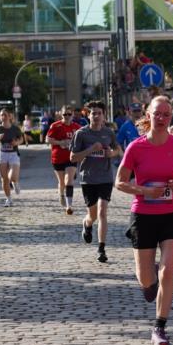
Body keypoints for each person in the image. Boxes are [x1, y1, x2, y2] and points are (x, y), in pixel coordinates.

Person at [116, 95, 173, 345]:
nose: (161, 118)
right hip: (143, 216)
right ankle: (151, 278)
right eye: (157, 113)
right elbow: (119, 182)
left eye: (166, 115)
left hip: (172, 215)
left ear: (171, 118)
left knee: (168, 270)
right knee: (146, 281)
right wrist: (144, 191)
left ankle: (159, 327)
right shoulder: (136, 147)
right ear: (148, 115)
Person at [70, 101, 121, 263]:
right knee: (92, 215)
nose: (96, 116)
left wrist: (110, 154)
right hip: (88, 179)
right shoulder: (81, 134)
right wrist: (91, 149)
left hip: (105, 178)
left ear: (104, 116)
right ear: (88, 115)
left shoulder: (109, 133)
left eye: (99, 113)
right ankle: (87, 224)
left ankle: (101, 248)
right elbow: (73, 157)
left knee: (102, 212)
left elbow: (118, 150)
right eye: (93, 113)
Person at [47, 106, 82, 213]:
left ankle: (69, 206)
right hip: (57, 158)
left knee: (69, 180)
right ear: (61, 115)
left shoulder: (77, 127)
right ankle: (61, 194)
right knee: (62, 183)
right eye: (64, 114)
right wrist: (61, 142)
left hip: (71, 158)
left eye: (69, 114)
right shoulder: (55, 125)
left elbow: (83, 140)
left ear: (72, 115)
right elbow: (48, 139)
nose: (67, 116)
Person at [0, 109, 23, 207]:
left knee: (12, 177)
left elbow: (21, 139)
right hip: (2, 154)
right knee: (4, 179)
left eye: (5, 115)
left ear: (9, 116)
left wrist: (16, 143)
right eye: (1, 115)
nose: (3, 117)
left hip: (13, 154)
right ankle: (8, 199)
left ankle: (15, 182)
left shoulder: (15, 128)